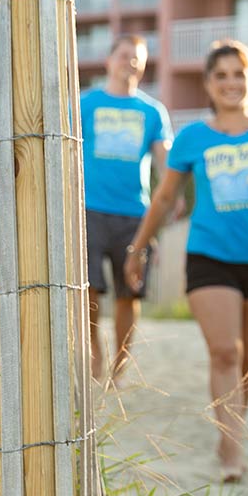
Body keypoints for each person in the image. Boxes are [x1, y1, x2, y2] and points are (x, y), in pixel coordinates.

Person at [124, 40, 248, 482]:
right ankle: (230, 449)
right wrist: (138, 247)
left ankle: (231, 432)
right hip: (209, 257)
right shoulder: (192, 137)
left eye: (238, 74)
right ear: (207, 83)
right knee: (225, 351)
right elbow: (165, 197)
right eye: (220, 75)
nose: (230, 83)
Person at [81, 33, 172, 382]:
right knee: (88, 288)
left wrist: (173, 194)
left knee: (128, 293)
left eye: (137, 57)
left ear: (144, 64)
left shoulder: (152, 111)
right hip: (89, 209)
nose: (129, 62)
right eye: (123, 55)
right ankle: (94, 351)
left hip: (135, 214)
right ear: (109, 61)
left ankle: (120, 366)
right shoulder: (86, 103)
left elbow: (165, 161)